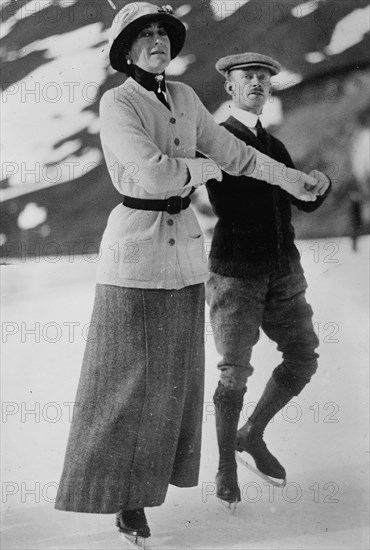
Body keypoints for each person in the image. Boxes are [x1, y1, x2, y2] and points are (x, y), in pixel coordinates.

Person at [54, 5, 319, 545]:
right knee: (125, 383)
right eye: (144, 35)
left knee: (171, 386)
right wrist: (204, 168)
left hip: (184, 260)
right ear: (126, 49)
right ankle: (121, 500)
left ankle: (144, 493)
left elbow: (239, 155)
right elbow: (149, 176)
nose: (156, 41)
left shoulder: (184, 99)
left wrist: (292, 181)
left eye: (161, 33)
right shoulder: (117, 102)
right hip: (133, 256)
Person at [205, 52, 331, 505]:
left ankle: (251, 432)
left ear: (270, 87)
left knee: (303, 356)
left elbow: (303, 201)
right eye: (247, 77)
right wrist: (286, 181)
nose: (257, 82)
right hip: (236, 274)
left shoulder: (274, 146)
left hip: (283, 270)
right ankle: (223, 468)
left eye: (263, 77)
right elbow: (231, 205)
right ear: (230, 87)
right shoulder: (218, 139)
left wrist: (319, 184)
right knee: (234, 372)